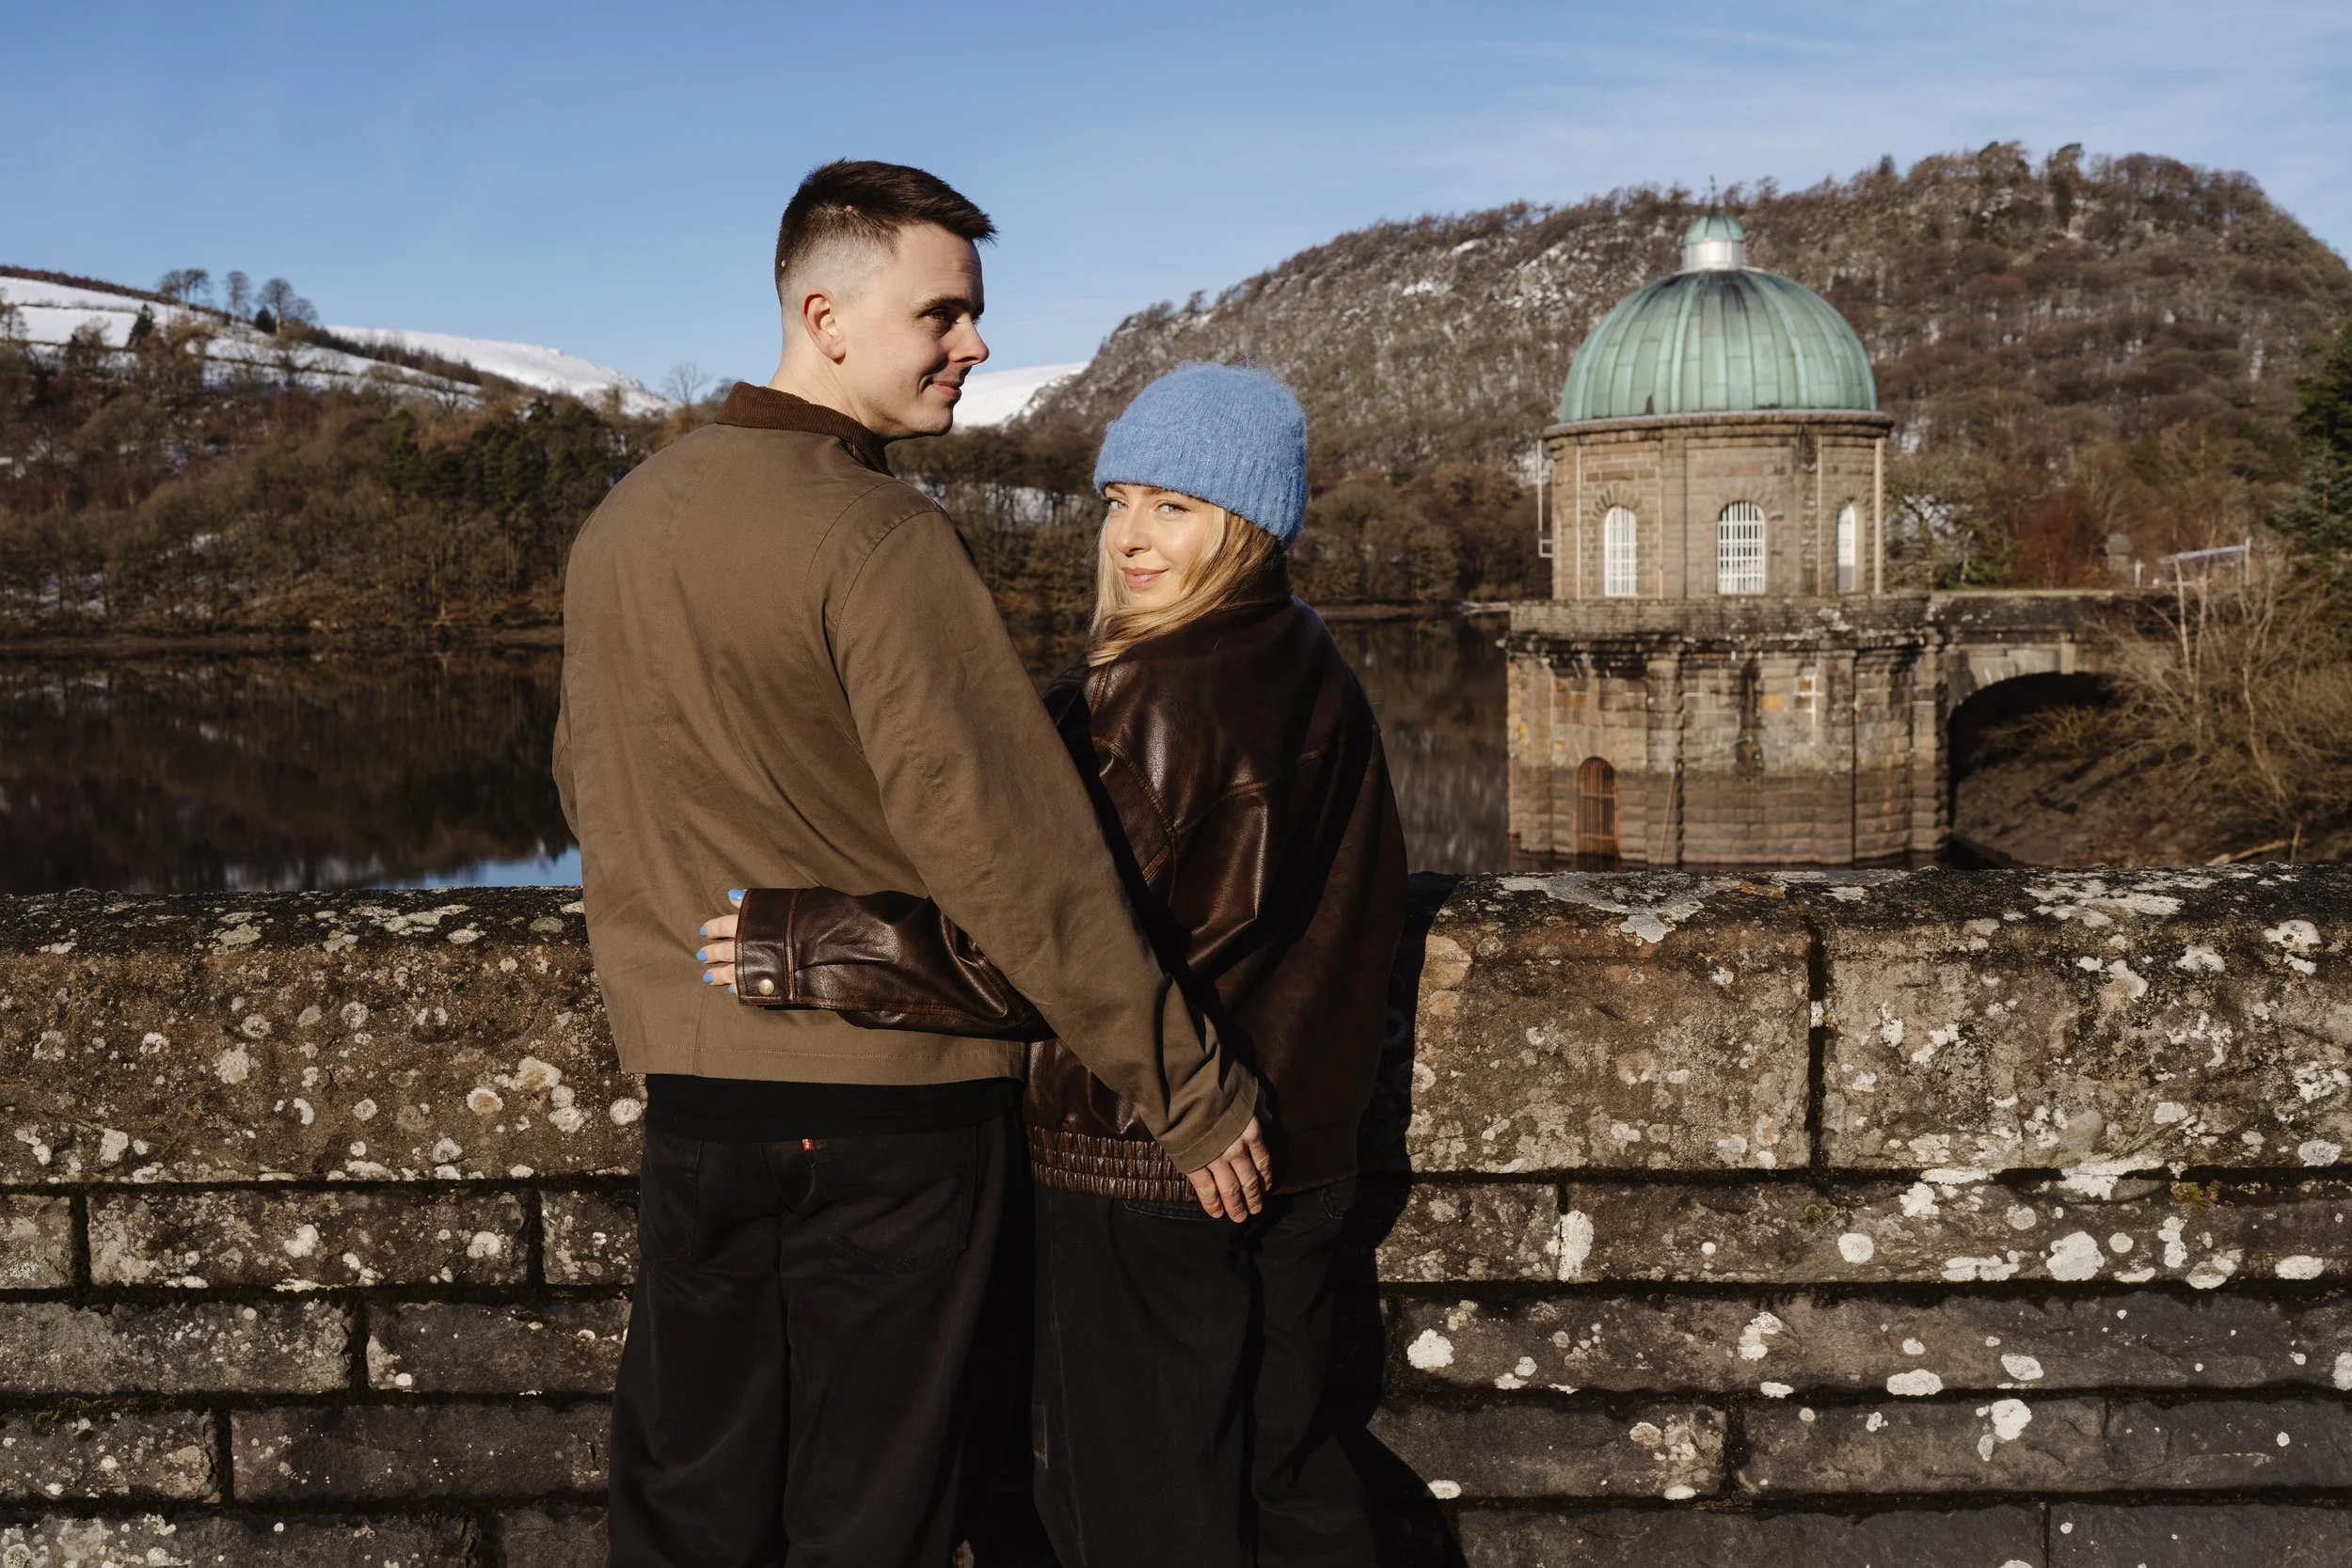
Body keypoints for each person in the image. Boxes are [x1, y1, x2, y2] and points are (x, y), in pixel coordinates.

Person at [553, 164, 1266, 1568]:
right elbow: (1015, 853)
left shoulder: (622, 523)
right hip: (890, 1128)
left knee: (685, 1512)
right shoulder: (879, 537)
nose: (974, 345)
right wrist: (1186, 1086)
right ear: (825, 313)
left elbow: (592, 787)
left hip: (699, 1111)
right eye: (943, 313)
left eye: (976, 316)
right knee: (873, 1522)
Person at [700, 363, 1410, 1567]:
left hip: (1143, 1162)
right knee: (1285, 1483)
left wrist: (809, 942)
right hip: (1299, 1149)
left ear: (1243, 522)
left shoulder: (1151, 703)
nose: (1131, 537)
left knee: (1127, 1508)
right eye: (1118, 501)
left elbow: (1048, 953)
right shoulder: (1306, 659)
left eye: (1174, 508)